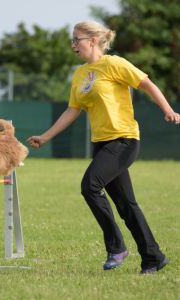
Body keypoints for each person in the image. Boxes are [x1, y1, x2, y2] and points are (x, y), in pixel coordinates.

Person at [27, 21, 180, 274]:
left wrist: (168, 110)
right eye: (72, 40)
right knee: (126, 205)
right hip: (101, 144)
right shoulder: (79, 75)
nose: (73, 44)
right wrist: (45, 137)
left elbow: (146, 83)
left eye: (77, 39)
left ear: (93, 40)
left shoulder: (114, 63)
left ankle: (116, 247)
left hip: (124, 140)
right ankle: (153, 257)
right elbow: (72, 110)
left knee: (90, 186)